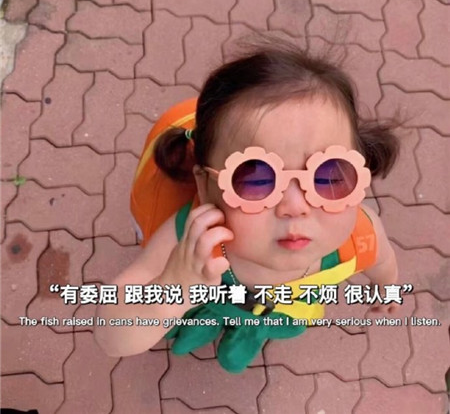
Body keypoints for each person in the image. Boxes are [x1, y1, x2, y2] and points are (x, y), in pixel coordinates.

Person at [94, 37, 400, 373]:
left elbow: (383, 260)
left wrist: (387, 288)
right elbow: (110, 336)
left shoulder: (360, 237)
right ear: (205, 186)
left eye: (328, 175)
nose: (295, 206)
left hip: (284, 309)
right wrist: (174, 289)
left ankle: (250, 330)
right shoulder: (192, 240)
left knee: (258, 325)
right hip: (210, 300)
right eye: (256, 179)